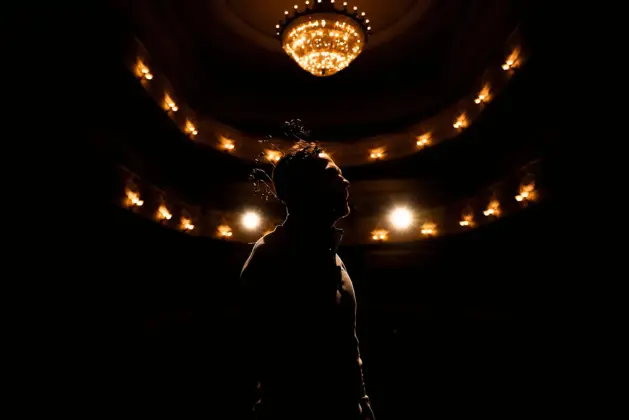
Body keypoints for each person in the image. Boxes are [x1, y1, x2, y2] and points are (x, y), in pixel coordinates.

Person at [240, 141, 375, 420]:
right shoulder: (271, 257)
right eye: (333, 175)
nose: (346, 182)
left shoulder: (335, 259)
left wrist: (361, 402)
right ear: (305, 188)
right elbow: (256, 356)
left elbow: (346, 346)